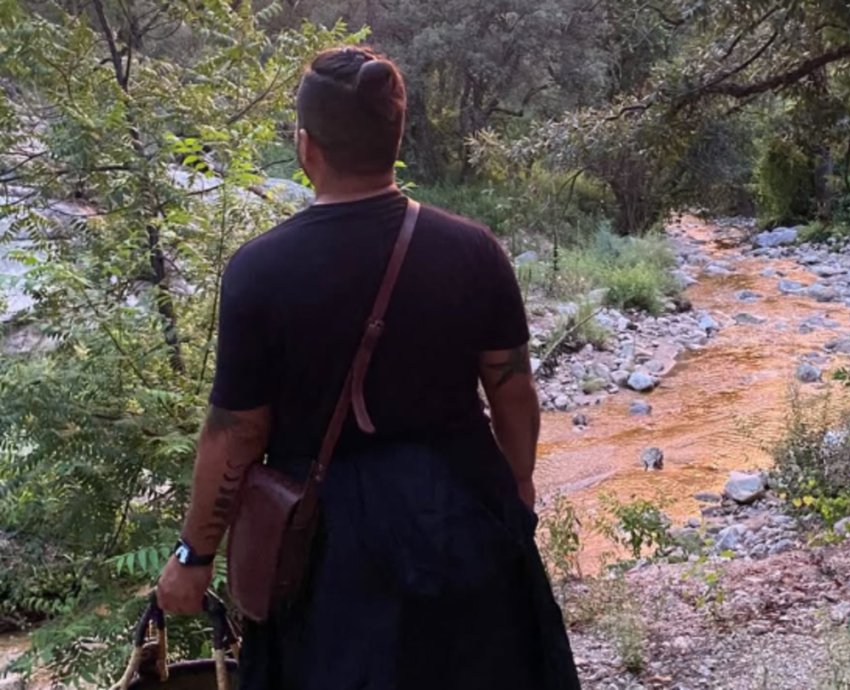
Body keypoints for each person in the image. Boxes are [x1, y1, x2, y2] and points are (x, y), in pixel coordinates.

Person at [156, 46, 580, 690]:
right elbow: (512, 389)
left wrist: (195, 555)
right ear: (396, 139)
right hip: (465, 515)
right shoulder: (474, 250)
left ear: (306, 147)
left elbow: (237, 432)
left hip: (328, 551)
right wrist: (517, 482)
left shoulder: (259, 271)